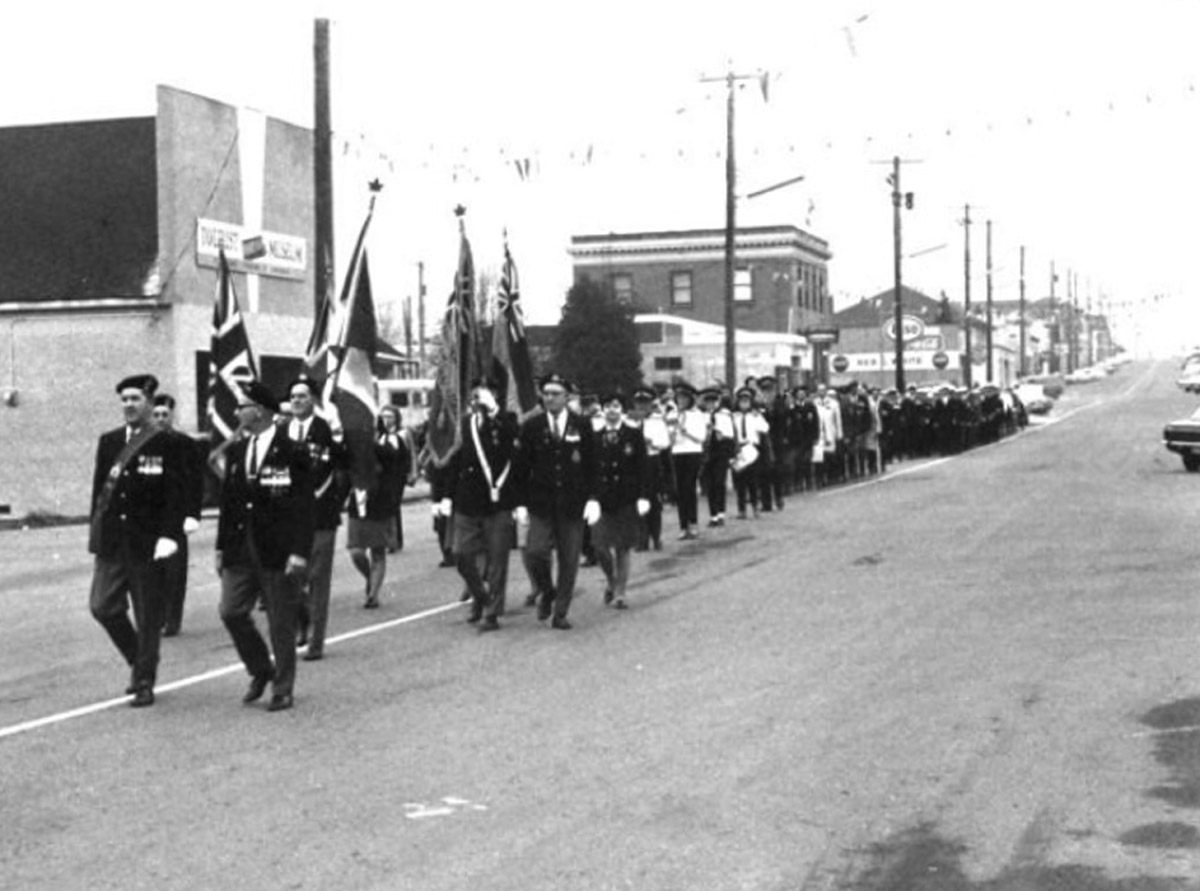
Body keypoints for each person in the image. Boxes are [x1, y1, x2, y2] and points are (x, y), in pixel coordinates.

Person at [215, 381, 314, 712]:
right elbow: (229, 504)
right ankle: (261, 669)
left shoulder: (292, 451)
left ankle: (282, 688)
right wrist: (220, 548)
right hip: (241, 549)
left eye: (241, 405)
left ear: (258, 410)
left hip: (277, 549)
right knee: (231, 611)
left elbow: (303, 507)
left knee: (280, 621)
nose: (236, 411)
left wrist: (300, 552)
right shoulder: (239, 450)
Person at [88, 373, 186, 707]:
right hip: (114, 542)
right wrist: (97, 535)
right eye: (124, 399)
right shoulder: (110, 441)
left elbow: (177, 495)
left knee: (148, 616)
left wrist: (169, 535)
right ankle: (137, 660)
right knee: (102, 606)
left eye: (135, 399)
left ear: (149, 403)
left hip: (148, 543)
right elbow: (100, 492)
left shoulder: (167, 442)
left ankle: (144, 680)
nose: (128, 405)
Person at [513, 373, 600, 630]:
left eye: (555, 393)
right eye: (546, 393)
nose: (549, 398)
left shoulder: (582, 425)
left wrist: (594, 499)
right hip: (541, 503)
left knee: (569, 559)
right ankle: (546, 591)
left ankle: (560, 612)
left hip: (572, 504)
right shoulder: (532, 426)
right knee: (535, 551)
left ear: (567, 397)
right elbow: (520, 468)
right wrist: (519, 503)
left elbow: (592, 465)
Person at [438, 377, 521, 632]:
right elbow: (457, 460)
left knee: (497, 561)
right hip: (468, 500)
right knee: (462, 556)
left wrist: (494, 411)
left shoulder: (507, 421)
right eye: (474, 397)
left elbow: (508, 440)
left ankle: (490, 613)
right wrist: (445, 495)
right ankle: (483, 599)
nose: (478, 402)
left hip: (497, 503)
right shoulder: (466, 423)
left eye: (483, 397)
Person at [284, 375, 347, 661]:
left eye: (303, 396)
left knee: (318, 580)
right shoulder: (281, 431)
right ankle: (302, 622)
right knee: (290, 578)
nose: (297, 401)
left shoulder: (327, 430)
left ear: (313, 401)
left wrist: (335, 501)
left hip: (320, 516)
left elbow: (343, 468)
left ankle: (316, 643)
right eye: (293, 396)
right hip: (288, 518)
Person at [151, 393, 205, 638]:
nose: (161, 419)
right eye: (157, 415)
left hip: (176, 517)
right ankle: (155, 617)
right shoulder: (145, 442)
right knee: (153, 571)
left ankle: (172, 620)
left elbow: (195, 482)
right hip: (150, 518)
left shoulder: (184, 444)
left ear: (172, 415)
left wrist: (192, 514)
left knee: (174, 572)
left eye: (165, 414)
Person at [347, 405, 411, 609]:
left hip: (380, 503)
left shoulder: (391, 441)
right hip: (358, 502)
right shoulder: (355, 445)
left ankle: (373, 594)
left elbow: (394, 461)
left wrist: (369, 444)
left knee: (377, 551)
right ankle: (370, 577)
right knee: (356, 551)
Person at [592, 393, 651, 610]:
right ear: (602, 409)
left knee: (622, 547)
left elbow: (643, 467)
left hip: (626, 497)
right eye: (607, 405)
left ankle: (620, 592)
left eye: (616, 405)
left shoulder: (633, 435)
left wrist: (644, 496)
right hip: (601, 499)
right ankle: (611, 579)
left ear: (622, 410)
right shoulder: (595, 436)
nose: (612, 410)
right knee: (599, 547)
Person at [629, 386, 671, 549]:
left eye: (644, 403)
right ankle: (642, 538)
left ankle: (656, 537)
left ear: (650, 404)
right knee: (638, 501)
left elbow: (665, 442)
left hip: (652, 461)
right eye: (638, 403)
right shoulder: (630, 421)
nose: (641, 407)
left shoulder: (657, 421)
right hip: (634, 463)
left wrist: (651, 442)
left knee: (654, 501)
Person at [669, 382, 708, 540]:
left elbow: (701, 437)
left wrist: (686, 432)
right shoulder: (673, 414)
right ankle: (683, 525)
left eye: (684, 398)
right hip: (678, 452)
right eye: (678, 398)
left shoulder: (697, 415)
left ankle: (693, 523)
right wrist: (671, 435)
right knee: (680, 490)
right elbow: (668, 436)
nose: (681, 401)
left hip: (692, 451)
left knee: (689, 487)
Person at [731, 386, 769, 518]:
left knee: (753, 481)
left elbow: (765, 428)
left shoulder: (755, 415)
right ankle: (741, 510)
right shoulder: (734, 416)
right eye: (741, 401)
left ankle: (755, 507)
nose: (744, 403)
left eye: (746, 401)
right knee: (740, 482)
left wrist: (758, 416)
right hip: (739, 449)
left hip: (751, 449)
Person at [699, 387, 734, 527]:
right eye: (708, 402)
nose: (710, 405)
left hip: (721, 452)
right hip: (708, 453)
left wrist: (722, 436)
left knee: (720, 482)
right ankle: (713, 514)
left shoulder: (724, 415)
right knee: (710, 484)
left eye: (713, 402)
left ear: (717, 402)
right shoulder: (703, 416)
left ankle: (721, 513)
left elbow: (730, 435)